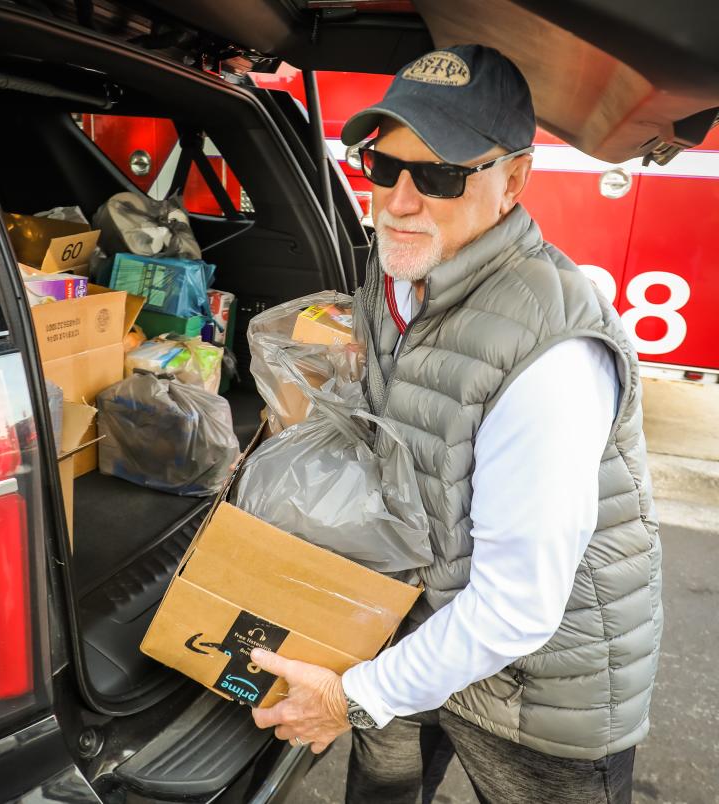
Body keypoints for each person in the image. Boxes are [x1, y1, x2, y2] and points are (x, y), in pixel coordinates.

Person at [248, 44, 662, 803]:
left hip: (537, 693)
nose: (399, 201)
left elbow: (516, 609)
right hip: (411, 625)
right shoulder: (399, 266)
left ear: (514, 181)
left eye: (438, 176)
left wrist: (353, 694)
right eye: (383, 168)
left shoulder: (553, 352)